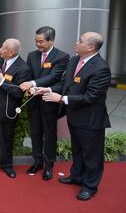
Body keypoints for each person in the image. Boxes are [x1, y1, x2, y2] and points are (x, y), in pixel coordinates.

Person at [38, 32, 111, 201]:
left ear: (91, 47)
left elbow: (91, 97)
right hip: (74, 117)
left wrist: (61, 99)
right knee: (77, 150)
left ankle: (90, 186)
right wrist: (48, 89)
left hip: (91, 120)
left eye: (80, 41)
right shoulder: (73, 61)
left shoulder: (101, 68)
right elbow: (65, 84)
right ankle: (76, 176)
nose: (76, 42)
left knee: (92, 155)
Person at [19, 26, 69, 180]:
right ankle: (37, 161)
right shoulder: (32, 55)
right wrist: (27, 86)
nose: (38, 44)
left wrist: (33, 84)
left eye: (41, 41)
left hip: (49, 101)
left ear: (51, 40)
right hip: (34, 101)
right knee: (35, 133)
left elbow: (54, 77)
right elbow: (27, 74)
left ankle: (49, 164)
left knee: (49, 134)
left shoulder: (62, 56)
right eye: (36, 41)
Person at [0, 38, 31, 178]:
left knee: (6, 139)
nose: (0, 50)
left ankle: (7, 165)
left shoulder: (23, 68)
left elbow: (18, 92)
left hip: (7, 111)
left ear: (10, 53)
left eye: (3, 48)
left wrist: (3, 81)